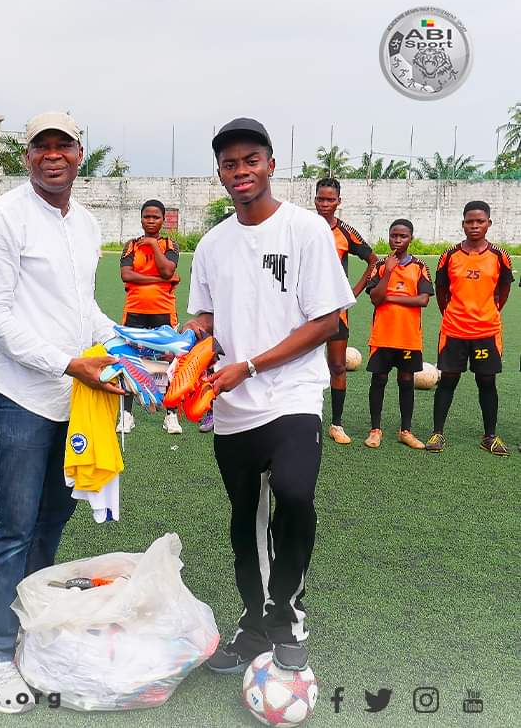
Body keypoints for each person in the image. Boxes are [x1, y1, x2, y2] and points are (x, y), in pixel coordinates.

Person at [185, 118, 354, 674]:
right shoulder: (211, 244)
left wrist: (251, 365)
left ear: (271, 165)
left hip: (291, 395)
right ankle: (255, 626)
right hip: (231, 406)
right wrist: (180, 354)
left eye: (250, 161)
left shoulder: (306, 231)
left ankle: (289, 619)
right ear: (220, 173)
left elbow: (329, 321)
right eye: (229, 164)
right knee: (246, 519)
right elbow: (204, 319)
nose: (240, 172)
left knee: (295, 495)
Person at [0, 112, 123, 713]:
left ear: (80, 153)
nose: (52, 155)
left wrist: (135, 346)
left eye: (64, 145)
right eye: (41, 146)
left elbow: (83, 310)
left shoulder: (84, 223)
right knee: (14, 521)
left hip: (71, 396)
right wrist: (68, 364)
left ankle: (29, 625)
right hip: (17, 391)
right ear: (26, 156)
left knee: (54, 515)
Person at [425, 201, 513, 456]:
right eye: (469, 221)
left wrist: (492, 310)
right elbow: (441, 291)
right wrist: (451, 313)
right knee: (448, 380)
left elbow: (504, 289)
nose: (474, 226)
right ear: (462, 223)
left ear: (489, 223)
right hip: (454, 330)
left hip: (487, 331)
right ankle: (437, 432)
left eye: (480, 221)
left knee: (487, 381)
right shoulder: (449, 256)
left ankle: (490, 437)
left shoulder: (499, 256)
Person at [314, 178, 377, 445]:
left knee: (337, 366)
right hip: (305, 312)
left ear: (339, 201)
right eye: (320, 199)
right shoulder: (302, 227)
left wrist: (352, 293)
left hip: (336, 312)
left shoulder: (346, 231)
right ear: (314, 199)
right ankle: (305, 421)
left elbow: (373, 260)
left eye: (330, 199)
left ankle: (336, 424)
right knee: (300, 366)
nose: (325, 204)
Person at [363, 219, 433, 449]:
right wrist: (389, 272)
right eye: (394, 235)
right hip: (382, 335)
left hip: (408, 337)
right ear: (389, 236)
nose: (398, 240)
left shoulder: (420, 267)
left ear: (410, 238)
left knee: (406, 380)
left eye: (403, 236)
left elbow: (423, 300)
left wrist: (390, 298)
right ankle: (375, 430)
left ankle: (406, 430)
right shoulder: (381, 266)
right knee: (379, 380)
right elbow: (374, 297)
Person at [119, 199, 182, 434]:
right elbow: (127, 275)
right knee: (130, 360)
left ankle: (170, 415)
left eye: (156, 217)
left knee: (165, 362)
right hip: (135, 311)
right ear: (141, 219)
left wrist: (154, 246)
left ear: (163, 220)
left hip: (163, 311)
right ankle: (126, 415)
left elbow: (168, 269)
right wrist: (160, 281)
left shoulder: (169, 244)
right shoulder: (131, 245)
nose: (151, 220)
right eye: (147, 216)